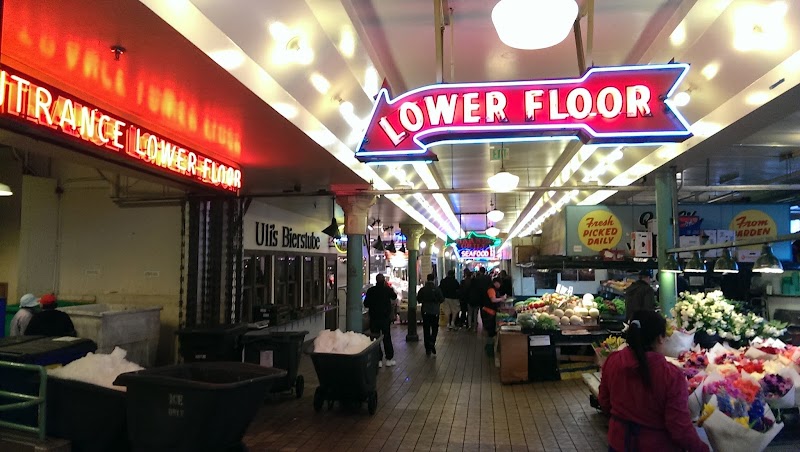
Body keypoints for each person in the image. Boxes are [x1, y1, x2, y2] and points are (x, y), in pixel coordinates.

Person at [599, 310, 709, 452]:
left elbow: (604, 402)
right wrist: (702, 449)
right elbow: (679, 427)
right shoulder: (671, 376)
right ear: (660, 338)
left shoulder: (613, 361)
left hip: (618, 442)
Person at [363, 274, 398, 367]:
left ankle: (378, 359)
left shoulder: (371, 291)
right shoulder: (387, 290)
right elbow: (394, 296)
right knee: (387, 337)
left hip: (374, 318)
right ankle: (389, 359)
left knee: (375, 338)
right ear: (384, 281)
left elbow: (366, 304)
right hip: (385, 318)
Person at [418, 273, 444, 356]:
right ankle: (432, 341)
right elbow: (442, 299)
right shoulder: (437, 289)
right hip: (435, 311)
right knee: (435, 328)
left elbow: (419, 299)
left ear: (427, 279)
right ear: (434, 279)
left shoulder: (423, 289)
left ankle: (427, 349)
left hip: (425, 311)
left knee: (426, 329)